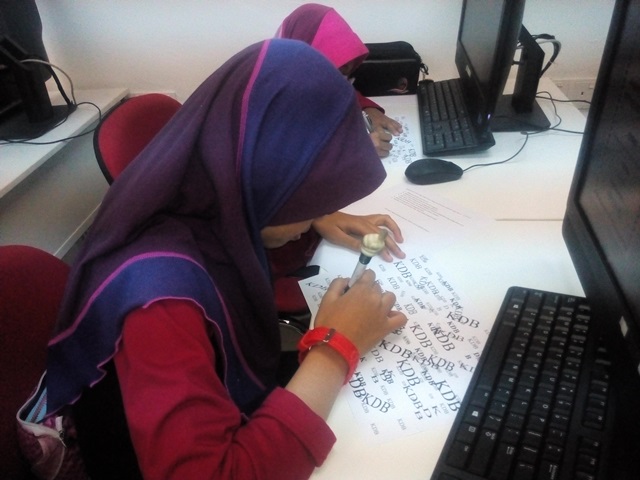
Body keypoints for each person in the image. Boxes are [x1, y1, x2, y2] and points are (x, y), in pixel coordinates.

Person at [44, 39, 407, 479]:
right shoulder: (160, 301)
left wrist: (314, 219)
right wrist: (335, 347)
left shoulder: (211, 205)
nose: (321, 211)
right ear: (264, 177)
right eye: (311, 198)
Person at [276, 3, 403, 158]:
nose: (344, 76)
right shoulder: (274, 97)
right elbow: (287, 156)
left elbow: (339, 92)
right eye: (336, 68)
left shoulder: (306, 75)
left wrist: (368, 109)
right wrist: (355, 150)